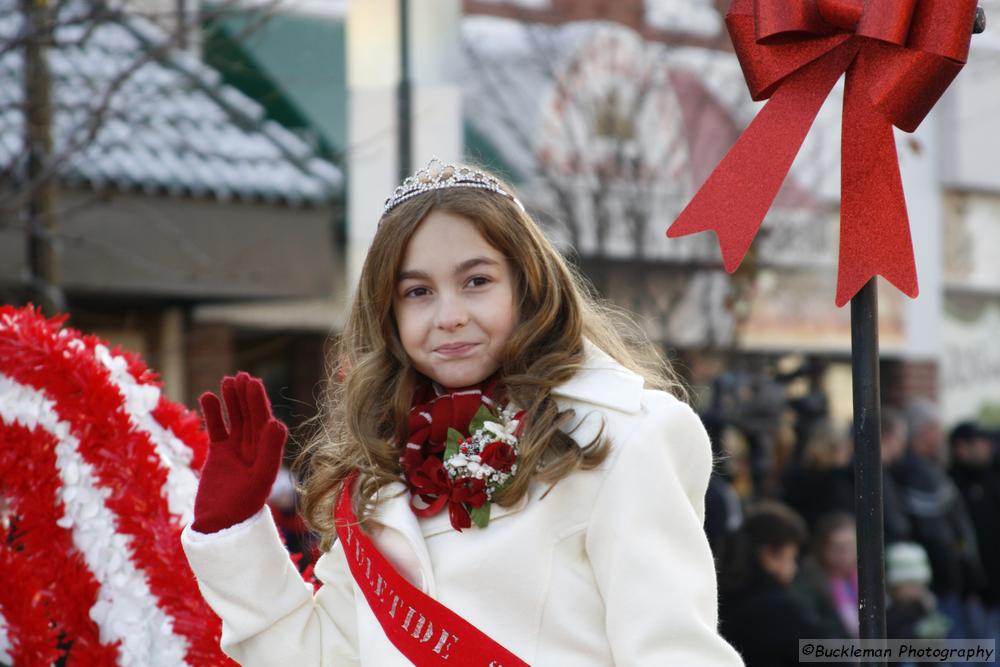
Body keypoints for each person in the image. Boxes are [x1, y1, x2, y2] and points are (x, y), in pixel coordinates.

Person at [180, 158, 745, 666]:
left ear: (528, 287)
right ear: (389, 313)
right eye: (418, 292)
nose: (448, 315)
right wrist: (235, 532)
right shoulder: (376, 473)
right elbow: (324, 656)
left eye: (476, 281)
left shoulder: (626, 437)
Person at [717, 500, 829, 667]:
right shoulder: (776, 609)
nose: (794, 568)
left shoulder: (722, 597)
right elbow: (826, 654)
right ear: (768, 554)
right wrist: (876, 650)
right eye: (791, 557)